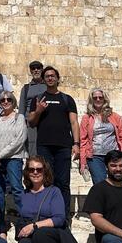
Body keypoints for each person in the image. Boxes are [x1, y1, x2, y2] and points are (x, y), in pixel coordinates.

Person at [16, 156, 83, 243]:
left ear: (45, 171)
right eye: (31, 169)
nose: (35, 172)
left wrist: (34, 226)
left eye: (39, 169)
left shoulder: (54, 191)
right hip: (32, 236)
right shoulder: (23, 195)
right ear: (27, 173)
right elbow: (21, 220)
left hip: (52, 234)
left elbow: (59, 219)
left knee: (40, 234)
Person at [28, 65, 79, 218]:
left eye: (52, 76)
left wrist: (76, 144)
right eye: (47, 76)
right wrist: (38, 111)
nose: (50, 78)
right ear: (43, 80)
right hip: (44, 146)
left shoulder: (67, 99)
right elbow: (31, 122)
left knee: (63, 182)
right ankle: (48, 214)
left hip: (64, 146)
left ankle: (63, 216)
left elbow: (74, 123)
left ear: (57, 78)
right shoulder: (38, 99)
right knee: (46, 180)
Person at [80, 88, 122, 184]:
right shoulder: (86, 118)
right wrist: (83, 162)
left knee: (116, 182)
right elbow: (83, 140)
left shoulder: (114, 116)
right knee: (100, 183)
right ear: (91, 100)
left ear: (104, 99)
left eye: (100, 97)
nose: (98, 100)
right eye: (95, 98)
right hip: (95, 157)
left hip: (114, 155)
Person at [0, 90, 27, 212]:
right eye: (2, 100)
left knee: (16, 188)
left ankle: (25, 216)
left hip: (14, 158)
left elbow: (19, 140)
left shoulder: (19, 118)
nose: (5, 102)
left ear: (13, 101)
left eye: (8, 99)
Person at [18, 60, 46, 156]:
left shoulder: (48, 86)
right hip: (30, 124)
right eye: (33, 68)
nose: (36, 70)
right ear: (31, 71)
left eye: (38, 68)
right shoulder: (26, 88)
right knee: (32, 150)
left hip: (45, 122)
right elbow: (22, 108)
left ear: (42, 70)